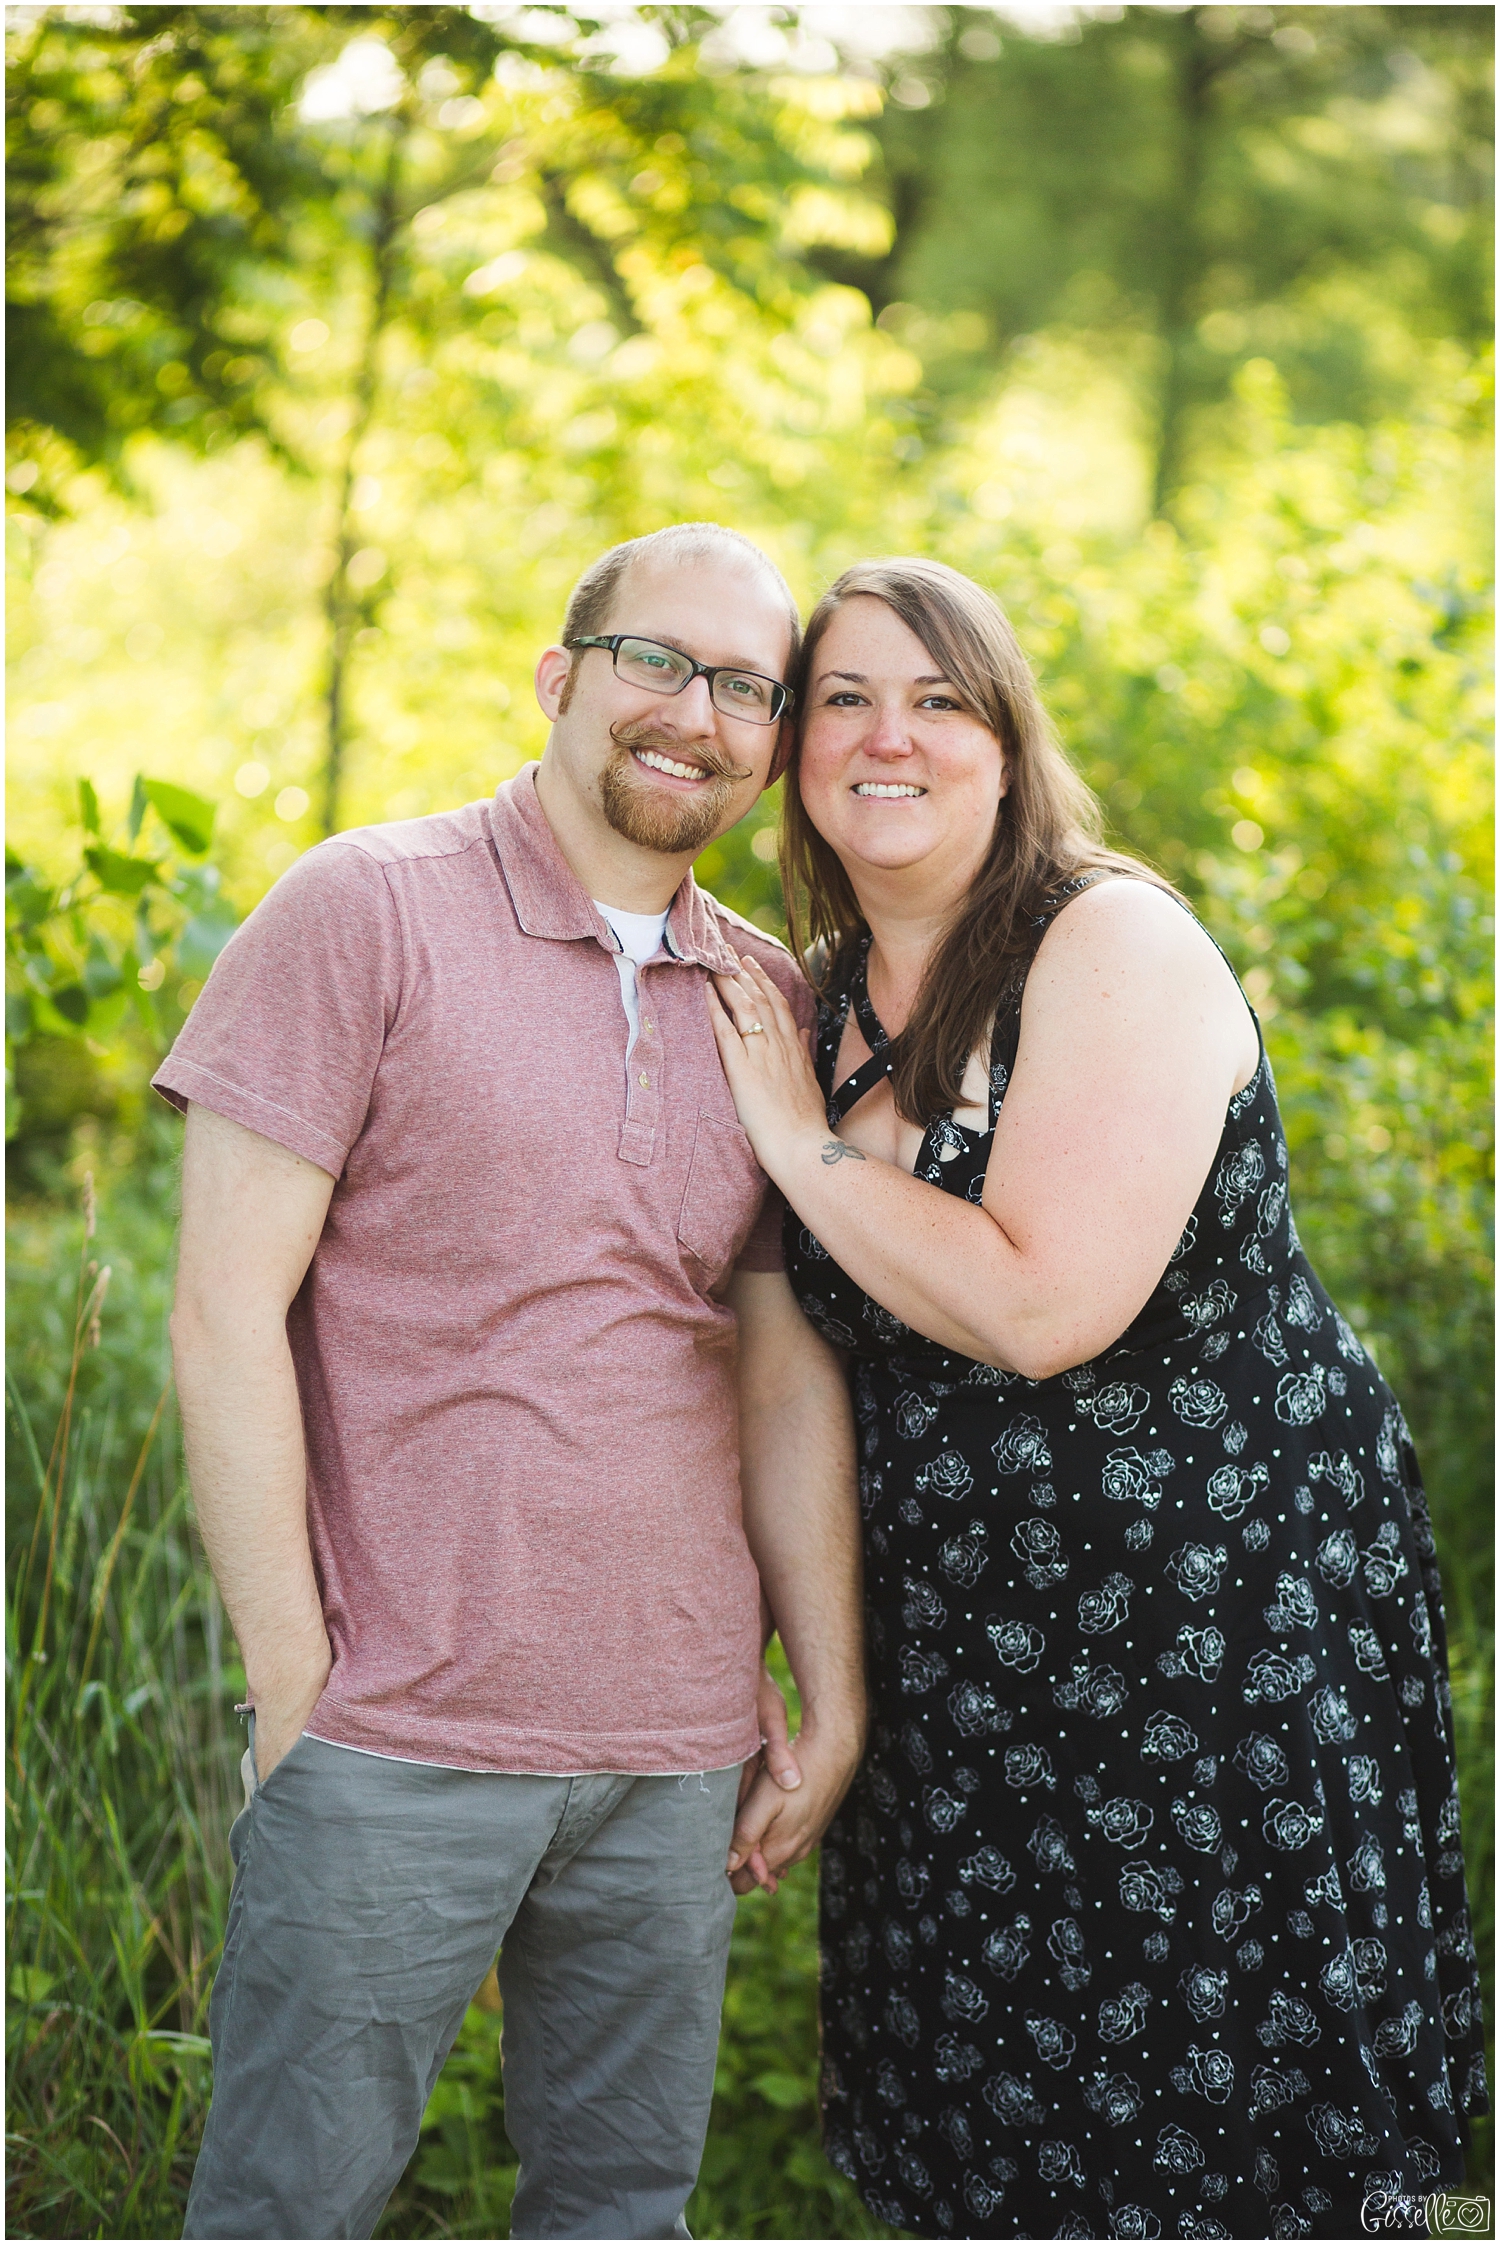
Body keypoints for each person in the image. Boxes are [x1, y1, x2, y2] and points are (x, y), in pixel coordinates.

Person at [707, 557, 1486, 2241]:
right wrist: (829, 1689)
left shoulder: (1107, 940)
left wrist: (800, 1145)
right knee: (991, 2132)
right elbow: (788, 1344)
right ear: (792, 748)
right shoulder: (811, 1003)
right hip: (966, 1669)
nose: (886, 736)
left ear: (1006, 740)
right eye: (844, 697)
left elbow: (1043, 1303)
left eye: (937, 700)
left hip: (1211, 1647)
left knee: (1230, 2137)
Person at [156, 521, 865, 2243]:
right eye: (657, 660)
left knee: (620, 2208)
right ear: (559, 673)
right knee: (287, 2207)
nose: (694, 713)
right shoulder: (364, 907)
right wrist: (291, 1677)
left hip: (676, 1743)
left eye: (745, 687)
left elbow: (776, 1375)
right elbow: (221, 1311)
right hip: (394, 1727)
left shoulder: (765, 993)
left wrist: (819, 1690)